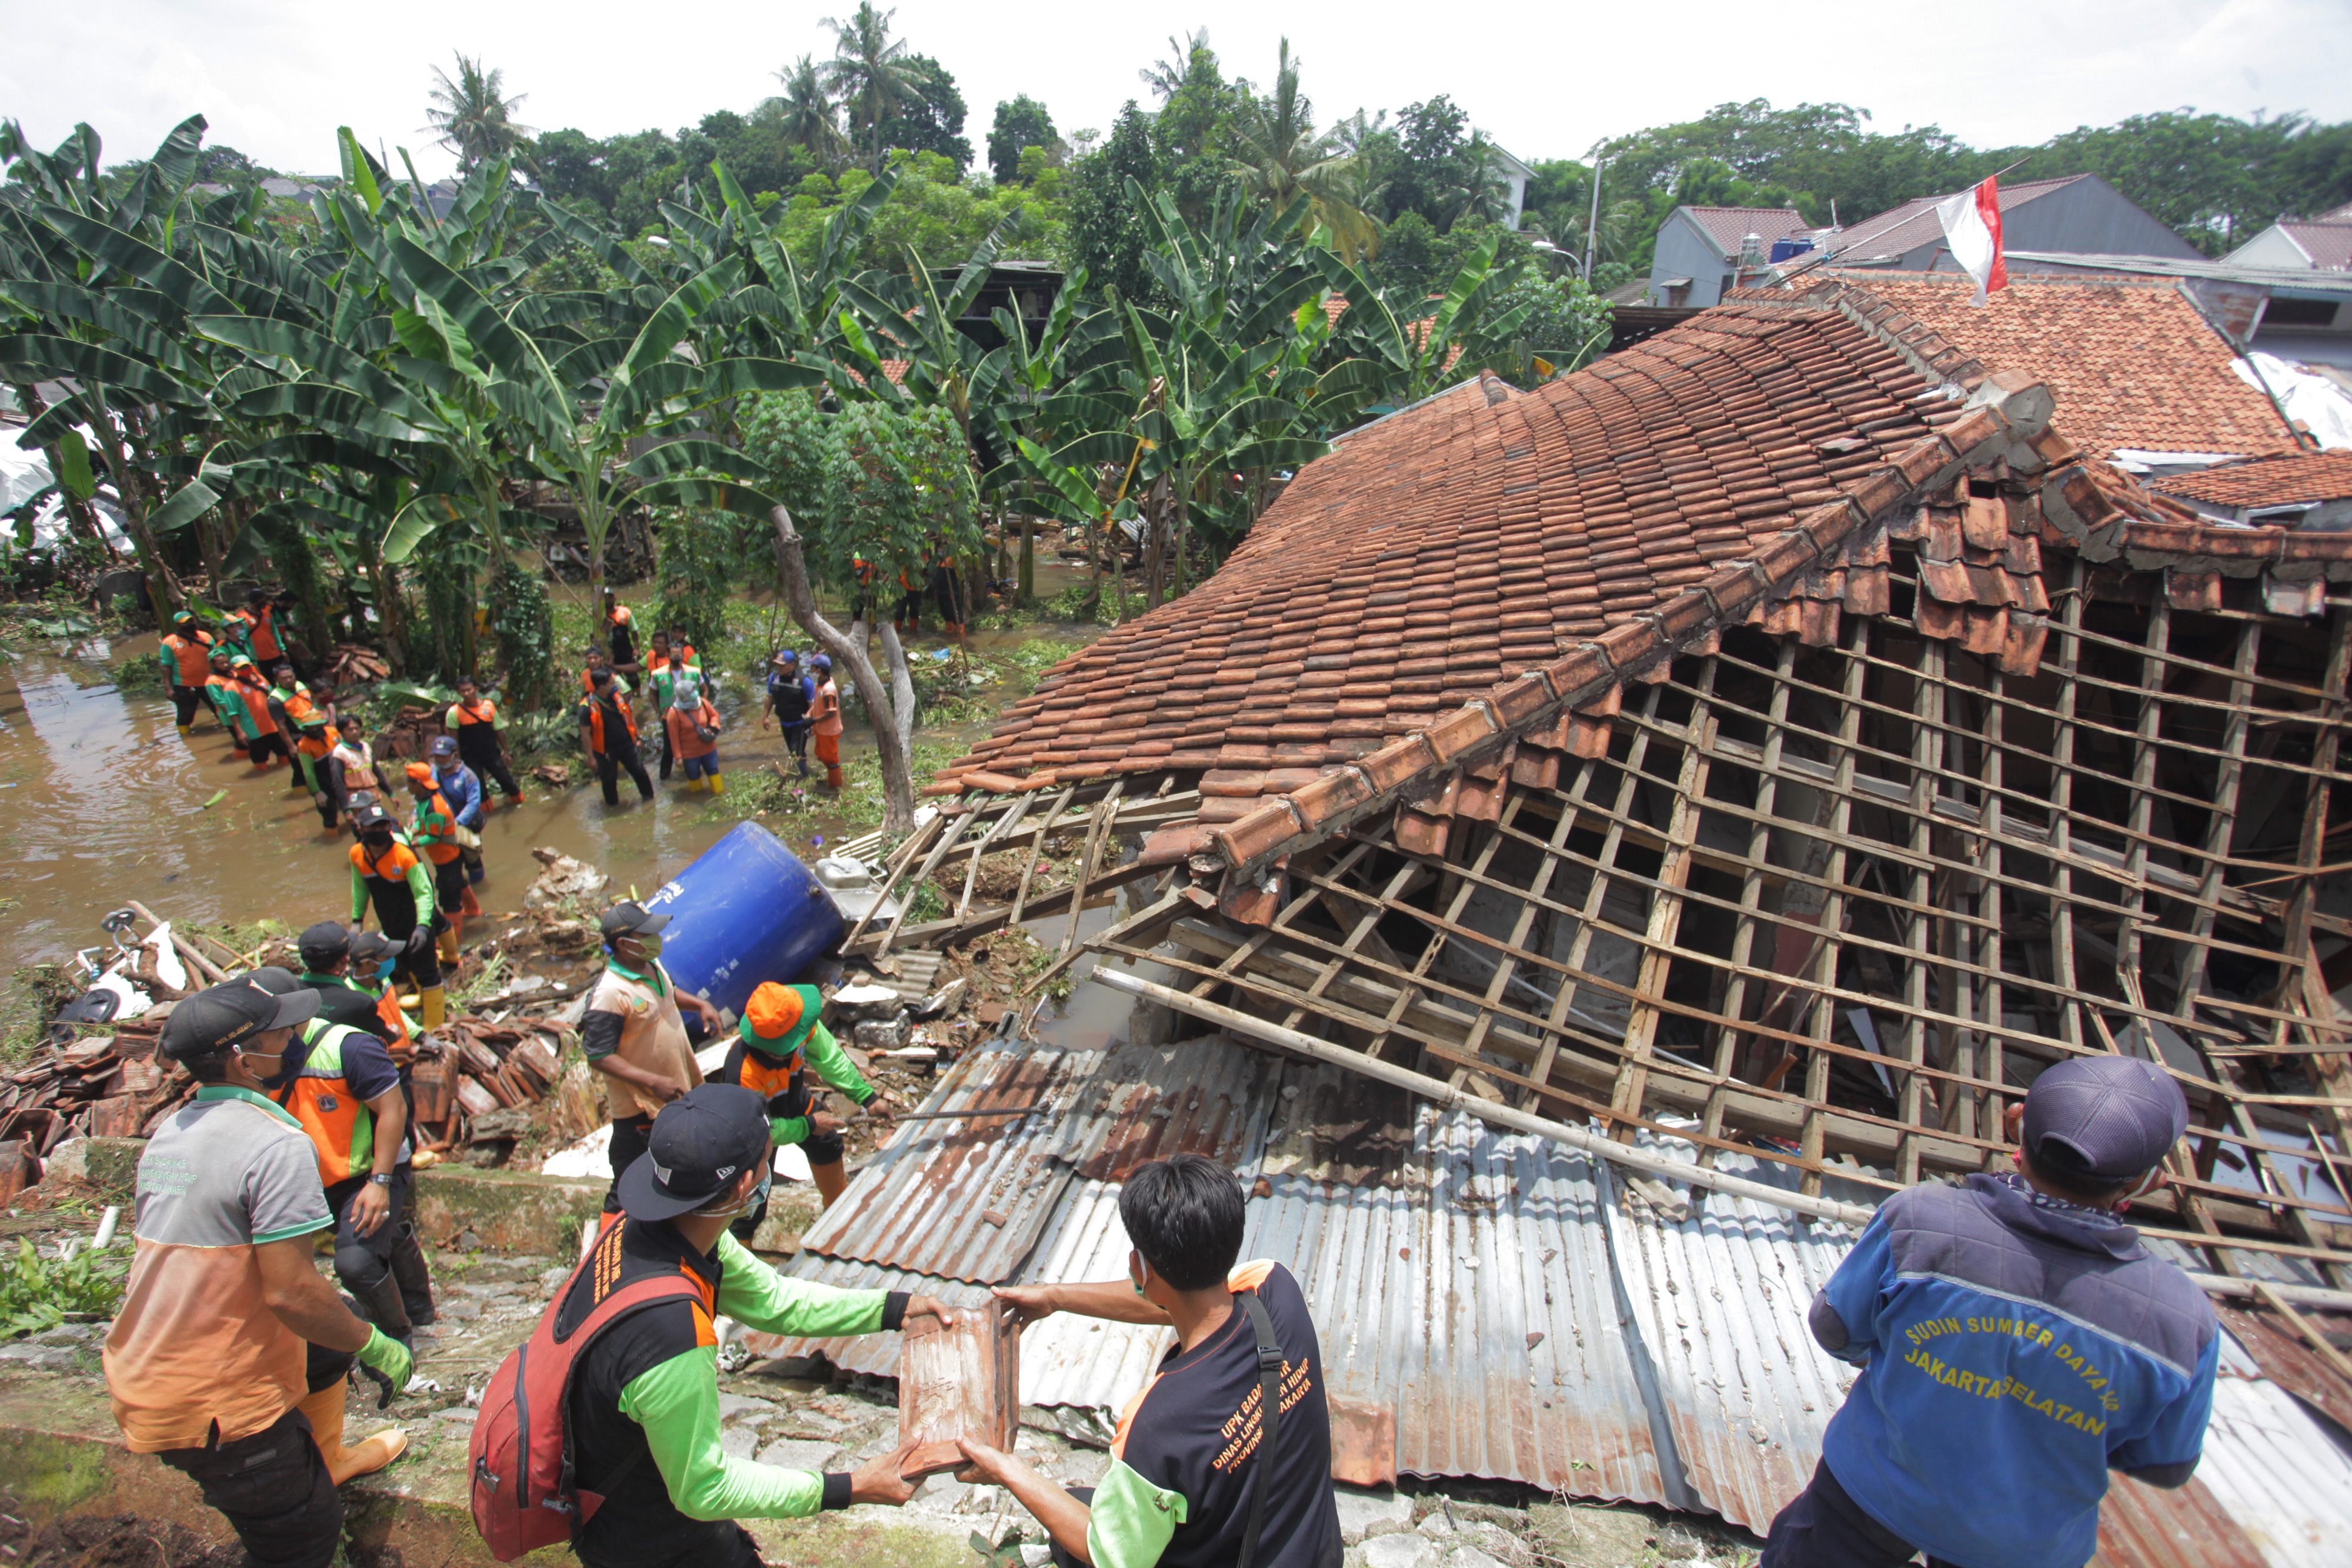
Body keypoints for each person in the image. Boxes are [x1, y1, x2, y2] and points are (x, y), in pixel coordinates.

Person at [1759, 1055, 2220, 1568]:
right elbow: (2167, 1463)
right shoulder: (2182, 1318)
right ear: (2147, 1182)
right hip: (2022, 1546)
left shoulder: (1922, 1222)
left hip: (1872, 1495)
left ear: (2016, 1119)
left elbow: (1835, 1326)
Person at [554, 1084, 951, 1568]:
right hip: (646, 1537)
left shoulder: (651, 1229)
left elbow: (776, 1300)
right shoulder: (672, 1334)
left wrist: (895, 1309)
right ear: (746, 1186)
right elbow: (705, 1487)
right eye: (768, 1159)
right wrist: (850, 1487)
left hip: (629, 1491)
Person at [102, 978, 414, 1568]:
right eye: (281, 1033)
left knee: (324, 1350)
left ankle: (327, 1458)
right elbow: (291, 1292)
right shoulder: (275, 1144)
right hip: (212, 1405)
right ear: (245, 1059)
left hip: (141, 1365)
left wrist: (343, 1338)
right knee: (302, 1539)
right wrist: (377, 1343)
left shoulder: (171, 1131)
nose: (294, 1038)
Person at [961, 1154, 1344, 1568]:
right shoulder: (1275, 1289)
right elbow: (1186, 1298)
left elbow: (1104, 1552)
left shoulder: (1158, 1424)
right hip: (1315, 1554)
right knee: (1083, 1503)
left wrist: (1007, 1469)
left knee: (1074, 1536)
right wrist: (1055, 1297)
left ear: (1139, 1268)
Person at [243, 966, 436, 1346]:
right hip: (311, 1172)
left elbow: (393, 1110)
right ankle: (418, 1307)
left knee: (355, 1261)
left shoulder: (350, 1046)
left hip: (369, 1170)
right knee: (381, 1235)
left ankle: (398, 1339)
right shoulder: (253, 1057)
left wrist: (379, 1183)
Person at [581, 901, 724, 1215]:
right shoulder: (610, 993)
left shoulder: (650, 966)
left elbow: (668, 993)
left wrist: (700, 1005)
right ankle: (607, 1253)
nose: (655, 938)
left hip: (673, 1092)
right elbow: (598, 1056)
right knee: (629, 1184)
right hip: (640, 1107)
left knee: (671, 1173)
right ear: (623, 943)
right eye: (646, 934)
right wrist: (652, 1081)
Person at [710, 982, 897, 1218]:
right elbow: (757, 1132)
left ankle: (838, 1213)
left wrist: (867, 1098)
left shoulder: (797, 1023)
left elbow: (829, 1059)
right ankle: (743, 1243)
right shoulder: (743, 1073)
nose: (806, 1035)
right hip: (760, 1130)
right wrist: (808, 1126)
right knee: (751, 1202)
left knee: (827, 1144)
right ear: (775, 1049)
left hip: (795, 1101)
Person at [347, 804, 449, 1029]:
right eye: (373, 827)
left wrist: (423, 926)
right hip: (390, 921)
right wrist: (357, 920)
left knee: (427, 970)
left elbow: (424, 894)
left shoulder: (404, 855)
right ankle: (422, 996)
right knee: (404, 961)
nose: (379, 830)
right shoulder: (357, 854)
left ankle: (435, 1025)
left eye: (383, 825)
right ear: (362, 828)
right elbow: (360, 888)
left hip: (415, 920)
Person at [296, 922, 413, 1062]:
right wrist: (395, 1034)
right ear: (344, 960)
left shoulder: (290, 992)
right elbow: (387, 1038)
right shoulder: (358, 1003)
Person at [402, 762, 469, 959]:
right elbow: (421, 820)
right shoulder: (424, 799)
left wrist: (411, 844)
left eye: (409, 782)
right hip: (445, 856)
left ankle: (454, 940)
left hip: (447, 858)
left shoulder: (435, 807)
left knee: (449, 899)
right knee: (459, 883)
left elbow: (432, 836)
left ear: (419, 784)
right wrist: (413, 828)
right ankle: (474, 910)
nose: (407, 785)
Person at [446, 676, 524, 808]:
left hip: (491, 754)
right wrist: (457, 760)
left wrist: (506, 751)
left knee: (507, 781)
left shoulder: (488, 706)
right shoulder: (454, 713)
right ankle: (487, 815)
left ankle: (520, 803)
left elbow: (498, 730)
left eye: (469, 690)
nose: (466, 694)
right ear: (458, 693)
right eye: (463, 691)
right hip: (470, 758)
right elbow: (453, 739)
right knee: (479, 790)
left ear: (476, 689)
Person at [581, 667, 655, 806]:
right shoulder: (587, 707)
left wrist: (639, 738)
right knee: (609, 779)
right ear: (601, 686)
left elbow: (629, 716)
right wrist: (591, 758)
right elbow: (585, 735)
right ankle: (613, 807)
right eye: (611, 684)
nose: (615, 686)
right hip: (605, 750)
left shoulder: (617, 697)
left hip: (627, 744)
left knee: (640, 772)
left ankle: (650, 800)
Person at [429, 735, 489, 885]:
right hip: (444, 825)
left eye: (443, 756)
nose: (439, 760)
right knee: (450, 862)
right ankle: (459, 891)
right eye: (437, 756)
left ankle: (479, 888)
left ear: (454, 755)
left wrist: (458, 823)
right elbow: (427, 796)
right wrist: (416, 815)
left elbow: (474, 803)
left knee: (472, 858)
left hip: (464, 824)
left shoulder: (467, 776)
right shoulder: (433, 773)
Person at [664, 674, 726, 795]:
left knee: (713, 771)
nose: (694, 693)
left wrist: (714, 726)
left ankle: (720, 795)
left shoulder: (702, 702)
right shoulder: (674, 713)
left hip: (708, 748)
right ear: (682, 696)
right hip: (690, 754)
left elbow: (715, 715)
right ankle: (698, 798)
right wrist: (678, 757)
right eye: (691, 692)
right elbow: (674, 737)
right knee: (694, 776)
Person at [160, 610, 218, 734]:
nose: (190, 624)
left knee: (219, 707)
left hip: (208, 681)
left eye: (191, 621)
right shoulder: (170, 642)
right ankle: (185, 736)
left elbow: (217, 658)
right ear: (178, 626)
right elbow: (166, 666)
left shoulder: (206, 638)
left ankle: (227, 732)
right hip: (183, 684)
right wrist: (168, 688)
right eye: (186, 623)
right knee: (185, 712)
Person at [323, 718, 383, 833]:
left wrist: (391, 793)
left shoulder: (365, 746)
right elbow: (338, 783)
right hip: (356, 801)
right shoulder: (339, 754)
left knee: (381, 828)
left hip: (373, 796)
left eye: (357, 728)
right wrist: (346, 810)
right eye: (350, 729)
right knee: (363, 832)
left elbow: (376, 771)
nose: (354, 732)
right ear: (342, 732)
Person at [760, 650, 814, 777]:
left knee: (797, 751)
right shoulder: (774, 678)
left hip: (800, 722)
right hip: (784, 721)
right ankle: (798, 770)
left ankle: (800, 776)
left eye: (782, 665)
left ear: (792, 665)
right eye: (778, 665)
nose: (779, 668)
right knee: (791, 749)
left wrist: (811, 724)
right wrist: (765, 717)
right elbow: (770, 698)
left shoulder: (804, 681)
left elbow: (813, 705)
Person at [808, 653, 844, 791]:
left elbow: (831, 713)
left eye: (813, 667)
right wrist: (810, 715)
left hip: (829, 730)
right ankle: (833, 777)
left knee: (830, 758)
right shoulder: (821, 685)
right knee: (820, 753)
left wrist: (813, 720)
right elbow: (818, 704)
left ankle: (835, 785)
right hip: (821, 729)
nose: (811, 669)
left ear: (819, 670)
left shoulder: (829, 690)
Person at [238, 587, 292, 672]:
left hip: (275, 654)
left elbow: (275, 633)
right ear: (255, 601)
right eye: (263, 600)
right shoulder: (243, 617)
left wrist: (282, 650)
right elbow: (242, 640)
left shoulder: (267, 614)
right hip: (258, 658)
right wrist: (249, 656)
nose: (265, 602)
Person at [603, 588, 639, 676]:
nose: (608, 600)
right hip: (610, 652)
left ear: (614, 598)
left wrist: (636, 649)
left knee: (633, 678)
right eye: (605, 598)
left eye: (610, 597)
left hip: (625, 650)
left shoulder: (625, 612)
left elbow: (634, 631)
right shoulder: (600, 615)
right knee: (614, 678)